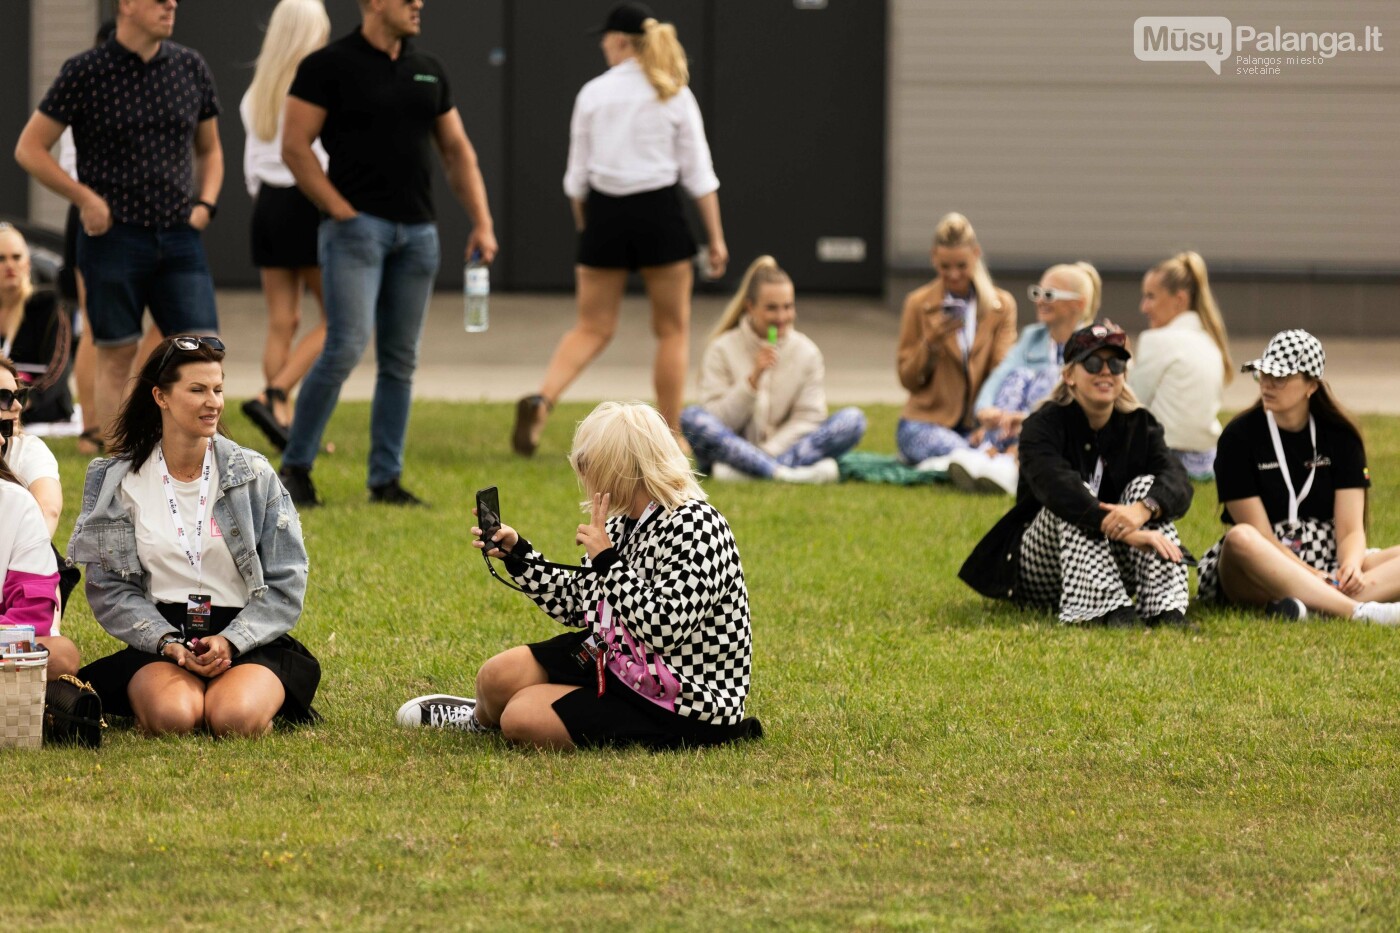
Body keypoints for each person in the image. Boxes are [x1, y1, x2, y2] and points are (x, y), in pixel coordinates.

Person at [397, 401, 760, 750]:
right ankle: (478, 718)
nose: (583, 473)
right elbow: (578, 605)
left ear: (622, 467)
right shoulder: (620, 523)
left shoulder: (699, 525)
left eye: (590, 463)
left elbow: (664, 629)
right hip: (615, 660)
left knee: (521, 718)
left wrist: (607, 560)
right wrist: (520, 555)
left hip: (683, 700)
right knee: (496, 677)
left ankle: (505, 713)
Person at [276, 0, 498, 507]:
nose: (419, 5)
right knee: (345, 346)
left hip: (419, 236)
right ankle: (295, 469)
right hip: (356, 232)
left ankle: (385, 480)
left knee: (400, 360)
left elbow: (457, 151)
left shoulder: (428, 70)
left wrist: (482, 221)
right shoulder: (327, 66)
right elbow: (294, 145)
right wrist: (340, 210)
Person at [70, 336, 320, 736]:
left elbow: (287, 581)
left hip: (245, 634)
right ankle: (162, 696)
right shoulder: (118, 480)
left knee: (234, 720)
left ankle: (238, 691)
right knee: (174, 719)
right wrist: (166, 641)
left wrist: (232, 641)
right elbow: (110, 588)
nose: (213, 402)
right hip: (163, 635)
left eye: (218, 389)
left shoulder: (252, 474)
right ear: (161, 397)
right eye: (198, 389)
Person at [513, 2, 728, 455]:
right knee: (671, 330)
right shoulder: (672, 91)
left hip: (605, 216)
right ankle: (670, 437)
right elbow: (700, 175)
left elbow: (576, 180)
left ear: (620, 42)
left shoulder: (592, 93)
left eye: (605, 40)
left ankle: (543, 399)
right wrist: (717, 238)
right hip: (660, 215)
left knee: (591, 326)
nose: (602, 48)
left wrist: (586, 228)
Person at [15, 0, 223, 449]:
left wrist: (204, 205)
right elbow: (30, 148)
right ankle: (120, 472)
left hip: (179, 236)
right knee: (116, 353)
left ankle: (198, 469)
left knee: (203, 350)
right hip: (113, 239)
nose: (171, 5)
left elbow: (210, 150)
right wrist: (84, 198)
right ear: (126, 4)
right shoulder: (85, 71)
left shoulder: (190, 66)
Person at [959, 323, 1193, 626]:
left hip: (1115, 559)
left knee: (1148, 489)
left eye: (1116, 363)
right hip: (1044, 568)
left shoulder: (1139, 424)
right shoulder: (1041, 426)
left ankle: (1166, 610)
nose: (1106, 371)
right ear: (1069, 375)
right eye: (1093, 363)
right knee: (1076, 496)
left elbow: (1178, 480)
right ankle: (1105, 611)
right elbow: (1058, 489)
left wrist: (1142, 510)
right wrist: (1125, 530)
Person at [1195, 330, 1400, 625]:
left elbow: (1350, 530)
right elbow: (1260, 534)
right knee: (1239, 539)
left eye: (1279, 377)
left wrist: (1352, 565)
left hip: (1326, 555)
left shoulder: (1341, 436)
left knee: (1365, 562)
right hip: (1262, 559)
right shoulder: (1238, 437)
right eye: (1263, 374)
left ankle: (1308, 606)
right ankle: (1358, 610)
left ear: (1311, 386)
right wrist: (1308, 573)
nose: (1267, 384)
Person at [679, 256, 864, 483]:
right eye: (772, 308)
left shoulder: (807, 352)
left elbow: (809, 418)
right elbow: (716, 419)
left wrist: (768, 452)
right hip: (730, 451)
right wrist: (752, 381)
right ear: (750, 307)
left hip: (780, 451)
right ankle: (789, 473)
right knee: (691, 417)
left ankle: (753, 472)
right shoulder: (722, 349)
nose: (782, 317)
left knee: (853, 420)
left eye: (788, 307)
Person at [238, 0, 331, 452]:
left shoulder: (259, 89)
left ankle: (280, 420)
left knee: (282, 322)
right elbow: (322, 158)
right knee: (339, 320)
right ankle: (273, 395)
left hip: (268, 206)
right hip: (307, 203)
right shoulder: (316, 85)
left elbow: (252, 165)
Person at [946, 262, 1102, 495]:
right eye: (1037, 293)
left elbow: (1086, 407)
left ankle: (1013, 460)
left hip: (1060, 434)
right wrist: (985, 410)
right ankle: (992, 454)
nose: (1040, 300)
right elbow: (1001, 374)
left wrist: (1029, 419)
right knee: (1018, 375)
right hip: (1014, 426)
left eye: (1049, 295)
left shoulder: (1094, 346)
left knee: (1054, 376)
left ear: (1078, 304)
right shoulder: (1033, 337)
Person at [895, 212, 1016, 469]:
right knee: (932, 441)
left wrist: (989, 421)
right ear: (933, 259)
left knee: (1016, 435)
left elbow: (1002, 372)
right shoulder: (918, 304)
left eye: (961, 265)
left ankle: (972, 460)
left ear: (976, 254)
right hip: (927, 422)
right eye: (944, 267)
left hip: (977, 424)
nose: (953, 275)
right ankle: (985, 462)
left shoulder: (1000, 306)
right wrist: (931, 343)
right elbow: (907, 379)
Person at [1128, 251, 1232, 481]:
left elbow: (1132, 404)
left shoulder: (1157, 340)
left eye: (1151, 297)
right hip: (1207, 460)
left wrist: (1122, 361)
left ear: (1180, 299)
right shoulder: (1210, 341)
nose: (1143, 307)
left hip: (1166, 456)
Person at [0, 371, 77, 678]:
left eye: (19, 396)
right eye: (5, 397)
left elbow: (49, 509)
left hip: (4, 637)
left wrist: (23, 537)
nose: (17, 406)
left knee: (60, 654)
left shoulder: (18, 503)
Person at [0, 224, 74, 428]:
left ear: (28, 263)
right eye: (1, 258)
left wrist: (18, 401)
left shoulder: (50, 306)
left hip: (42, 408)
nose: (10, 265)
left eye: (16, 257)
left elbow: (57, 371)